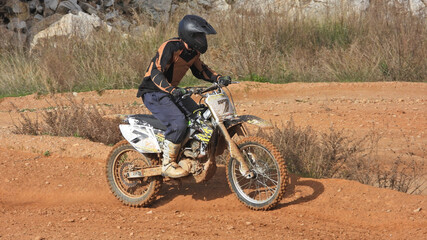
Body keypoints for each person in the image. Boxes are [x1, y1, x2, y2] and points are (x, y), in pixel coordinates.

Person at [136, 15, 231, 178]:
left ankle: (190, 153)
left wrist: (218, 78)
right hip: (153, 92)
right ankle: (167, 163)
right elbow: (156, 72)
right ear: (189, 35)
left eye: (203, 36)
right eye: (199, 36)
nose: (202, 39)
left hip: (172, 91)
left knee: (200, 117)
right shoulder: (171, 47)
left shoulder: (192, 52)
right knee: (178, 123)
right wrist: (171, 90)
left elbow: (202, 70)